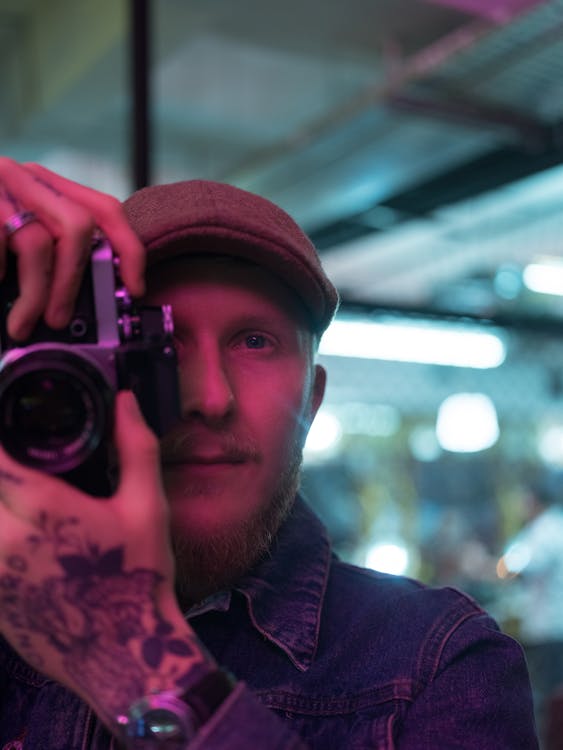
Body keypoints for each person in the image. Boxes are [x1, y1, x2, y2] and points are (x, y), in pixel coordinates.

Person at [0, 158, 538, 749]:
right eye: (160, 343)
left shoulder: (437, 660)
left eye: (255, 342)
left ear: (313, 398)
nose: (210, 397)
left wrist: (133, 661)